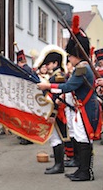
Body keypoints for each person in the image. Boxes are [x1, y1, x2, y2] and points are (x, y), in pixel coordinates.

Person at [37, 15, 102, 181]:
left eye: (70, 56)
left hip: (86, 108)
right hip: (81, 107)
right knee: (80, 138)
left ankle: (85, 172)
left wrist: (47, 86)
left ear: (76, 54)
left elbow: (68, 87)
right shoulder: (83, 67)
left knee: (83, 139)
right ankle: (81, 169)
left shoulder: (82, 68)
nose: (69, 60)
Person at [34, 44, 68, 175]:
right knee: (55, 137)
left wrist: (52, 113)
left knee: (56, 138)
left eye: (48, 64)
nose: (46, 66)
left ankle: (59, 165)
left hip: (56, 111)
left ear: (55, 63)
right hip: (55, 110)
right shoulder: (55, 75)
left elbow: (56, 97)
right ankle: (58, 164)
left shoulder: (57, 77)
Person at [16, 50, 34, 145]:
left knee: (24, 117)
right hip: (29, 96)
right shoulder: (29, 69)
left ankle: (26, 137)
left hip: (25, 96)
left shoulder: (24, 70)